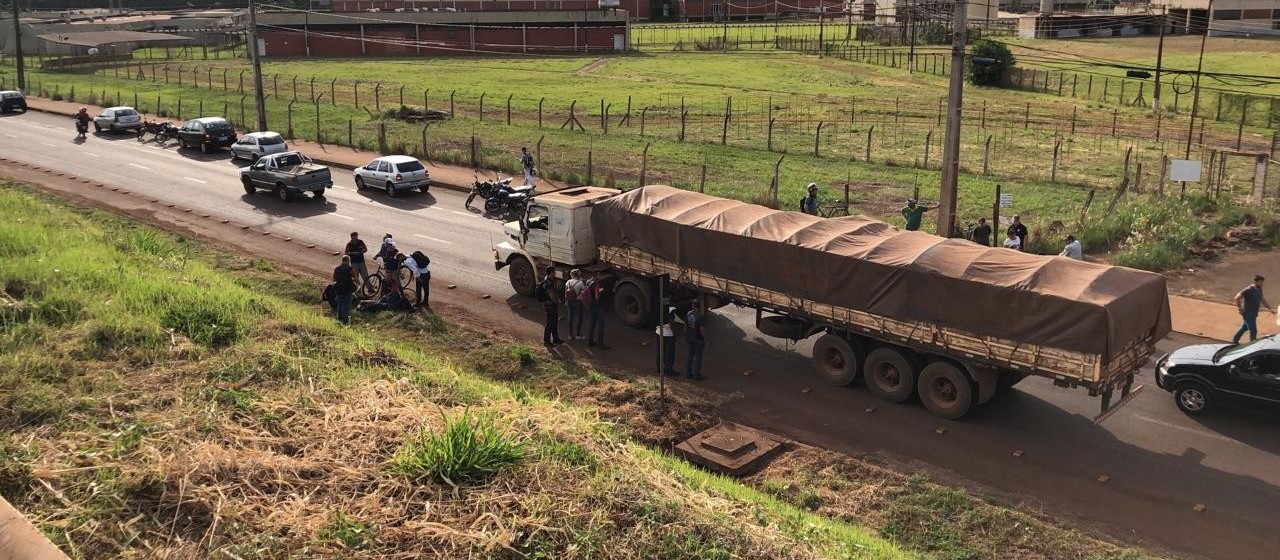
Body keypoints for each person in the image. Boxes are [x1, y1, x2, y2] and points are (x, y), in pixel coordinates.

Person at [1232, 275, 1274, 344]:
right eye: (1261, 282)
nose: (1262, 284)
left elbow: (1262, 299)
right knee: (1253, 330)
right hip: (1248, 313)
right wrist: (1240, 308)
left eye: (1262, 282)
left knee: (1244, 328)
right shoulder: (1248, 290)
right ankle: (1253, 345)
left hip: (1254, 313)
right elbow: (1236, 298)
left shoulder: (1259, 289)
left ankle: (1234, 341)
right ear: (1255, 281)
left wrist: (1269, 309)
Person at [536, 267, 563, 346]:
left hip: (551, 304)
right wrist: (557, 302)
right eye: (554, 272)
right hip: (550, 305)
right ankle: (547, 341)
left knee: (554, 322)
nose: (555, 273)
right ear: (551, 273)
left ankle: (555, 338)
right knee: (550, 323)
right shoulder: (548, 283)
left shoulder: (549, 280)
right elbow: (551, 295)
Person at [585, 270, 608, 349]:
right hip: (597, 304)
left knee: (592, 323)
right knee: (601, 324)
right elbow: (598, 296)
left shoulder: (588, 282)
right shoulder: (598, 284)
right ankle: (600, 344)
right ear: (597, 275)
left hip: (591, 303)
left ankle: (589, 341)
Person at [332, 255, 358, 324]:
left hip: (338, 289)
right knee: (346, 305)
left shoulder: (337, 269)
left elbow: (334, 279)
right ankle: (345, 321)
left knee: (339, 305)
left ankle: (339, 319)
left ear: (342, 261)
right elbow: (355, 279)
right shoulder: (350, 269)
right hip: (347, 289)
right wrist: (352, 279)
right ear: (348, 261)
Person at [685, 301, 706, 380]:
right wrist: (705, 339)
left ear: (693, 305)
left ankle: (688, 374)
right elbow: (701, 329)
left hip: (690, 337)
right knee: (698, 357)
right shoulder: (700, 316)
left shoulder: (688, 313)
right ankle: (697, 375)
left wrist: (686, 335)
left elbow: (685, 326)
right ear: (699, 306)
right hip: (698, 339)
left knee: (690, 356)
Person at [656, 305, 678, 376]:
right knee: (669, 354)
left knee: (660, 351)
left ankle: (659, 368)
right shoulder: (671, 311)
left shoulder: (659, 309)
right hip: (668, 334)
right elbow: (671, 323)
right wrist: (675, 333)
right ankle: (669, 370)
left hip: (658, 333)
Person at [564, 269, 586, 340]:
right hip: (578, 302)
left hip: (570, 301)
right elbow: (583, 292)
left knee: (570, 318)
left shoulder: (568, 282)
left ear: (572, 275)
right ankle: (578, 334)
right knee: (579, 317)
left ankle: (570, 335)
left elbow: (565, 293)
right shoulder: (580, 283)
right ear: (578, 275)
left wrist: (566, 301)